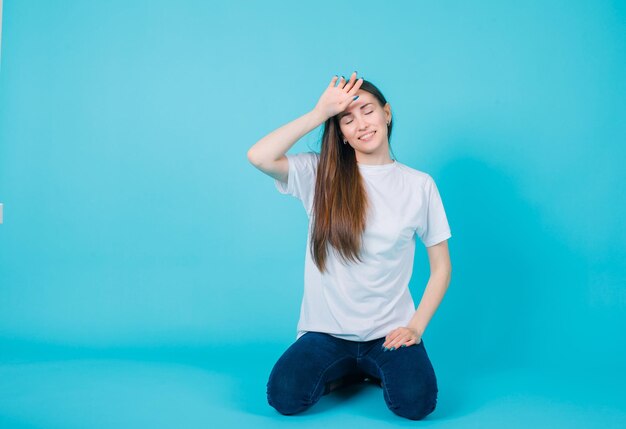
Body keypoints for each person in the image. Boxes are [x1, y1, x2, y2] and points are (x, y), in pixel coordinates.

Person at [247, 72, 452, 421]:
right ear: (339, 133)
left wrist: (415, 327)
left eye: (368, 111)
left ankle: (368, 368)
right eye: (347, 118)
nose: (361, 124)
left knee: (417, 403)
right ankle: (348, 371)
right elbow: (259, 156)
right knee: (284, 396)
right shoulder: (320, 176)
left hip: (389, 332)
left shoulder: (420, 185)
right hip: (326, 332)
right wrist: (318, 113)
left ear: (387, 114)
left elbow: (442, 267)